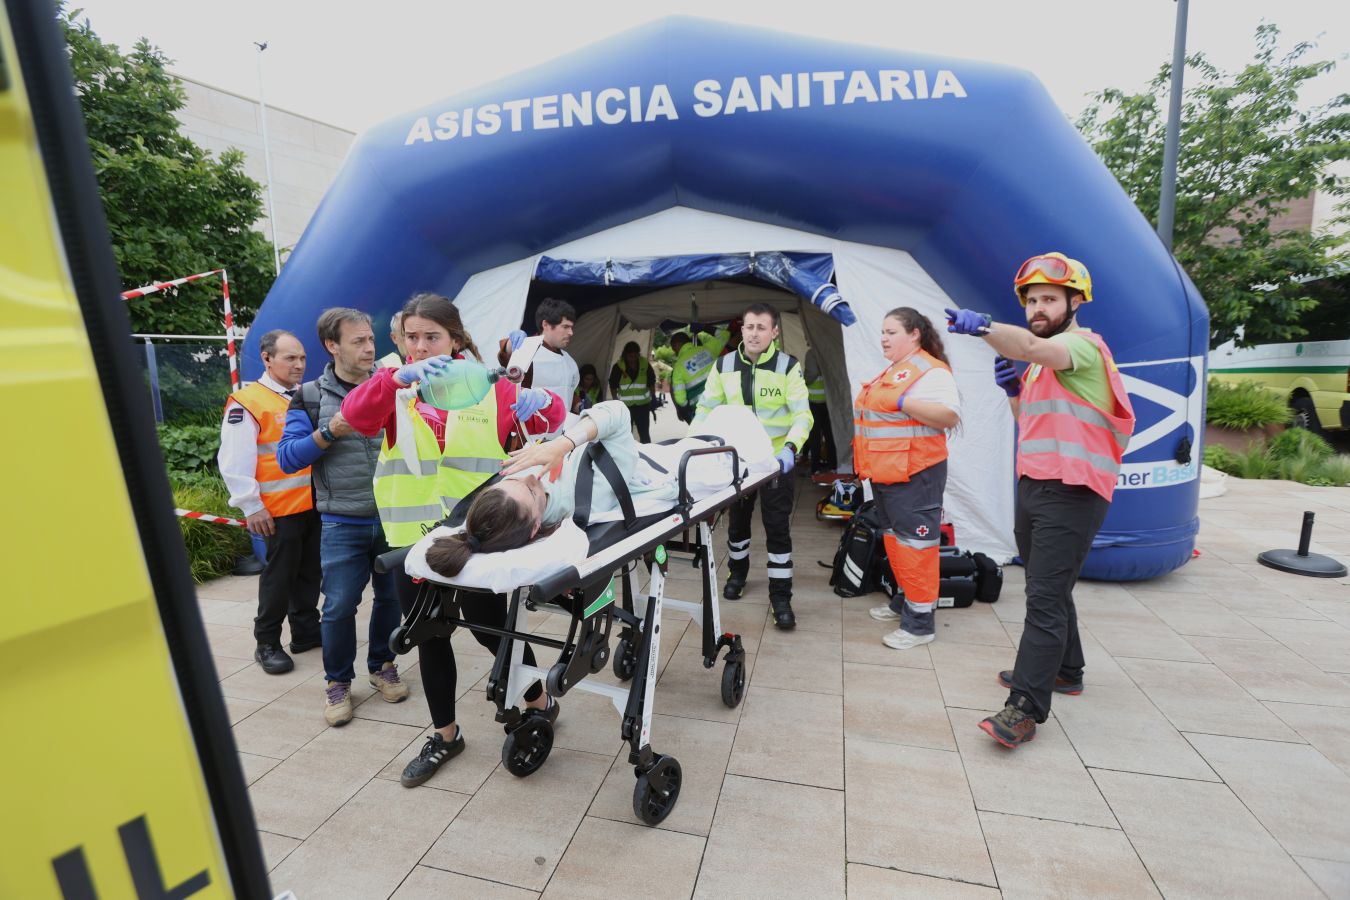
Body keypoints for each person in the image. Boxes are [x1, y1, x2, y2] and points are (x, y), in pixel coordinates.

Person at [342, 292, 567, 786]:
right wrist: (391, 378)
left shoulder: (490, 387)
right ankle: (445, 736)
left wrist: (540, 402)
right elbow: (356, 417)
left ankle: (538, 699)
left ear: (456, 339)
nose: (420, 348)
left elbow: (553, 420)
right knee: (428, 635)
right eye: (412, 338)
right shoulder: (395, 386)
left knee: (491, 628)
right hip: (414, 545)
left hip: (477, 541)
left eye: (432, 337)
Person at [944, 252, 1135, 749]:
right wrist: (1012, 392)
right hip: (1036, 484)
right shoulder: (1039, 366)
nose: (1038, 309)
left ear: (1076, 302)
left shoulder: (1084, 347)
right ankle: (1067, 670)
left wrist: (983, 326)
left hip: (1072, 491)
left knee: (1043, 598)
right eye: (1032, 301)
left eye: (1049, 299)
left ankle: (1025, 707)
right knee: (1052, 586)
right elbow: (1032, 419)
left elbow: (1028, 345)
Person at [422, 399, 770, 575]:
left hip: (647, 458)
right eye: (529, 491)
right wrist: (564, 444)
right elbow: (618, 413)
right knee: (736, 417)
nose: (529, 477)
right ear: (533, 529)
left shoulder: (525, 491)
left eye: (512, 480)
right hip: (696, 461)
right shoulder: (590, 491)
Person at [277, 308, 408, 727]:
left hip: (393, 517)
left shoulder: (393, 387)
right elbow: (287, 458)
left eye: (371, 339)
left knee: (391, 599)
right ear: (332, 346)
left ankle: (382, 665)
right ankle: (337, 682)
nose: (370, 348)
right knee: (338, 608)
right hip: (341, 521)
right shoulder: (309, 395)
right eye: (358, 341)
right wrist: (330, 431)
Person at [692, 303, 812, 629]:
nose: (754, 333)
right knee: (737, 526)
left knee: (777, 529)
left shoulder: (788, 366)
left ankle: (780, 595)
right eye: (749, 327)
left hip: (776, 464)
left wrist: (790, 449)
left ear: (774, 332)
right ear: (741, 330)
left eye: (762, 327)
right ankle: (737, 574)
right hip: (738, 463)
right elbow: (706, 408)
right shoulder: (724, 365)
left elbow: (803, 414)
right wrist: (693, 442)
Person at [854, 309, 961, 651]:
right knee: (896, 542)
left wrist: (903, 400)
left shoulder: (930, 371)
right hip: (888, 473)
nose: (883, 337)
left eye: (891, 331)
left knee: (917, 548)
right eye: (882, 331)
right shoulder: (898, 369)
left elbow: (948, 416)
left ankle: (919, 624)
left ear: (914, 334)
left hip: (916, 474)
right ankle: (904, 600)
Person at [218, 330, 321, 675]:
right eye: (290, 358)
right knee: (278, 579)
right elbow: (234, 460)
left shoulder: (305, 396)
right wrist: (251, 505)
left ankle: (305, 632)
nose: (299, 365)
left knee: (309, 574)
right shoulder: (248, 401)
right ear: (267, 359)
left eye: (302, 358)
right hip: (276, 511)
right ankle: (266, 643)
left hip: (312, 504)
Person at [506, 297, 580, 406]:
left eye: (571, 327)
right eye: (565, 327)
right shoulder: (527, 350)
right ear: (546, 325)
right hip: (532, 421)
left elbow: (567, 392)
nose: (571, 332)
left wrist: (578, 405)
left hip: (564, 421)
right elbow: (506, 354)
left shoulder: (569, 361)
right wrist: (510, 344)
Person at [670, 325, 731, 424]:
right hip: (723, 403)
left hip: (702, 411)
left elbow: (681, 400)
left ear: (676, 345)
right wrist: (704, 327)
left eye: (673, 348)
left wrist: (686, 411)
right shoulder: (708, 349)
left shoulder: (678, 368)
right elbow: (725, 335)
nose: (674, 351)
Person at [609, 341, 656, 442]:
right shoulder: (618, 367)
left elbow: (651, 381)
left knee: (644, 434)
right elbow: (612, 385)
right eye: (630, 357)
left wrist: (653, 397)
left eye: (635, 356)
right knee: (625, 434)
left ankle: (647, 453)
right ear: (625, 355)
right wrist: (616, 401)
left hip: (643, 405)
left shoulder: (645, 364)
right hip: (625, 406)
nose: (633, 360)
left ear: (638, 355)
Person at [802, 347, 837, 473]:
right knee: (828, 435)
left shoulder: (811, 354)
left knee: (816, 437)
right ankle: (832, 467)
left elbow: (809, 376)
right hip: (826, 403)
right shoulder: (828, 353)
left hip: (815, 402)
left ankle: (816, 468)